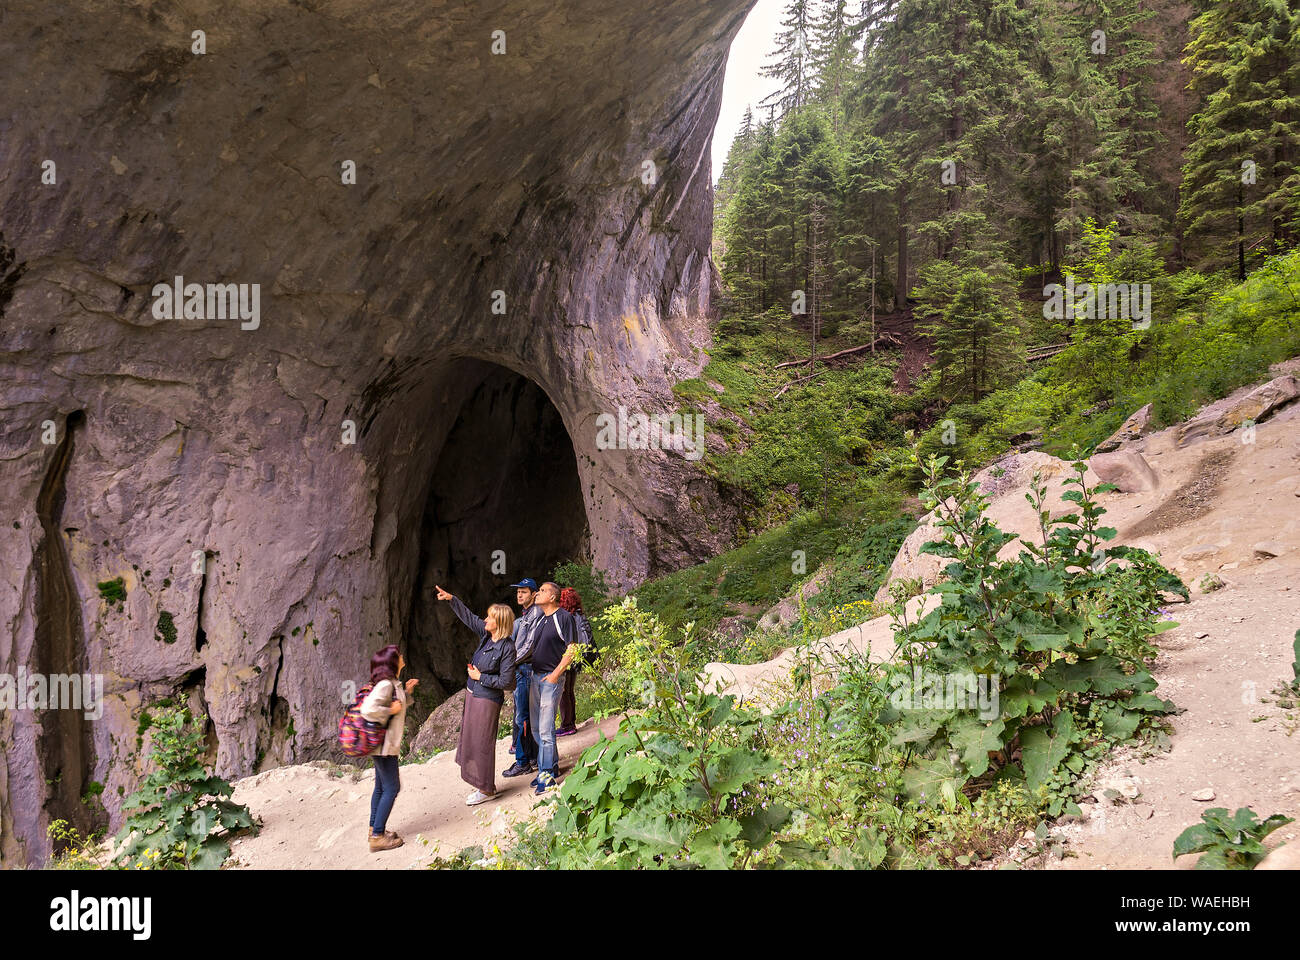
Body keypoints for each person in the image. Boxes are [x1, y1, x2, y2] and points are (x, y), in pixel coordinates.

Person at [436, 585, 516, 805]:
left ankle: (486, 789)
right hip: (474, 694)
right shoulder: (487, 636)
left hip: (487, 700)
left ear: (498, 622)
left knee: (482, 742)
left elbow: (508, 682)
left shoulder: (506, 648)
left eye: (489, 617)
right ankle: (481, 784)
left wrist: (481, 677)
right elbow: (469, 618)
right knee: (472, 740)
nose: (485, 620)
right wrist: (452, 598)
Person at [360, 644, 418, 852]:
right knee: (392, 788)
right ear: (393, 661)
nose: (402, 657)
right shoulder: (386, 684)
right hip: (384, 746)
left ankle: (374, 829)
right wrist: (389, 708)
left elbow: (396, 707)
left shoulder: (392, 683)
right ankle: (377, 836)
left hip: (381, 745)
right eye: (399, 655)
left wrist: (406, 693)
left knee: (380, 787)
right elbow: (368, 709)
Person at [526, 581, 579, 793]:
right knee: (537, 728)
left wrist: (556, 674)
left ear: (552, 597)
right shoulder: (540, 619)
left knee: (547, 729)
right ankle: (553, 766)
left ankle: (546, 775)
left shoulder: (564, 617)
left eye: (542, 591)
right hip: (535, 678)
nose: (537, 593)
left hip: (551, 679)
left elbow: (572, 648)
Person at [503, 578, 542, 779]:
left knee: (522, 717)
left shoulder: (535, 613)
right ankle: (532, 757)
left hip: (526, 670)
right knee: (525, 716)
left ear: (534, 594)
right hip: (523, 669)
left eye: (524, 592)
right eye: (518, 591)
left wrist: (511, 663)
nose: (519, 595)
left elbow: (530, 645)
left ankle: (522, 761)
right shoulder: (527, 613)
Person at [556, 587, 594, 737]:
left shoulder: (567, 618)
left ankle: (567, 725)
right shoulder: (580, 615)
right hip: (577, 657)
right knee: (569, 691)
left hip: (568, 656)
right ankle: (570, 722)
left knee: (563, 692)